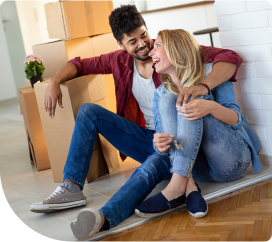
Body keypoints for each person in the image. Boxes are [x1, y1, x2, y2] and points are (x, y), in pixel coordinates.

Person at [29, 5, 243, 240]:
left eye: (144, 35)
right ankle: (71, 186)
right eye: (133, 41)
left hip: (184, 138)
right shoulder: (118, 62)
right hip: (152, 139)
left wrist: (202, 87)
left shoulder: (168, 52)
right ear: (120, 45)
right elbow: (79, 64)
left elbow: (229, 57)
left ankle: (103, 218)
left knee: (149, 168)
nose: (143, 44)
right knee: (89, 111)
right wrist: (55, 81)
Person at [134, 29, 262, 219]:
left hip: (232, 161)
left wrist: (209, 107)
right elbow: (166, 140)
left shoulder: (212, 74)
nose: (151, 53)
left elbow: (236, 119)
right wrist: (159, 144)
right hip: (196, 170)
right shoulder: (161, 93)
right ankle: (189, 186)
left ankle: (176, 188)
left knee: (187, 99)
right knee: (169, 99)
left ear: (176, 49)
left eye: (158, 46)